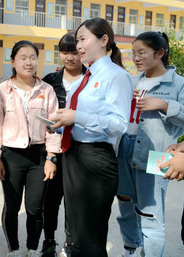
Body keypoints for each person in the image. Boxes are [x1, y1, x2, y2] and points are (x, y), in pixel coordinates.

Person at [51, 17, 133, 256]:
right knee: (75, 231)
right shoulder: (86, 77)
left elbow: (119, 124)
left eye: (83, 39)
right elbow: (78, 115)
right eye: (77, 40)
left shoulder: (116, 76)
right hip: (74, 155)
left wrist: (76, 117)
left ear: (104, 39)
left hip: (96, 160)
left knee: (91, 236)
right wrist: (58, 123)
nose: (78, 45)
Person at [116, 31, 184, 257]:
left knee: (151, 214)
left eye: (142, 53)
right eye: (133, 53)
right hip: (125, 148)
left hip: (159, 154)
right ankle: (130, 249)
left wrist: (164, 105)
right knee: (126, 205)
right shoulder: (133, 80)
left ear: (160, 53)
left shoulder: (179, 84)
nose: (135, 58)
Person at [0, 40, 61, 257]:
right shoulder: (2, 90)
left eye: (32, 57)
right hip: (11, 156)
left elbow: (54, 127)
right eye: (23, 58)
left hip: (38, 157)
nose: (28, 63)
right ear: (12, 61)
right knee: (11, 206)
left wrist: (51, 157)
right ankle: (13, 249)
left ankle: (32, 248)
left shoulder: (46, 90)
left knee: (35, 207)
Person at [41, 32, 87, 257]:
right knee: (50, 198)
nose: (70, 57)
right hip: (54, 147)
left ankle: (70, 243)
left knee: (74, 200)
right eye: (65, 52)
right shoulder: (51, 80)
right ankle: (48, 240)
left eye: (75, 52)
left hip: (79, 148)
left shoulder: (91, 79)